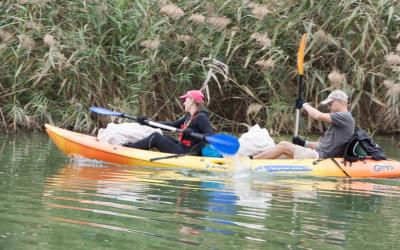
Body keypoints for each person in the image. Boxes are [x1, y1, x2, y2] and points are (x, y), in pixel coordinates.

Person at [253, 90, 355, 159]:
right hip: (322, 153)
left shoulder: (344, 117)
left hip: (321, 157)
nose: (328, 107)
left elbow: (317, 115)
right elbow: (323, 145)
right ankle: (256, 158)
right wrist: (302, 143)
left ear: (340, 102)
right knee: (280, 148)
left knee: (283, 145)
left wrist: (304, 105)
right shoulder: (340, 121)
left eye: (330, 104)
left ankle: (250, 161)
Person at [123, 90, 213, 155]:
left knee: (156, 137)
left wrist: (191, 133)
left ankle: (128, 150)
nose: (184, 103)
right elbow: (172, 125)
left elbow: (210, 136)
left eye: (185, 100)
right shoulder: (189, 116)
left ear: (192, 101)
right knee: (161, 135)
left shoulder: (201, 117)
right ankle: (133, 148)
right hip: (183, 147)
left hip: (189, 153)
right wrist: (148, 122)